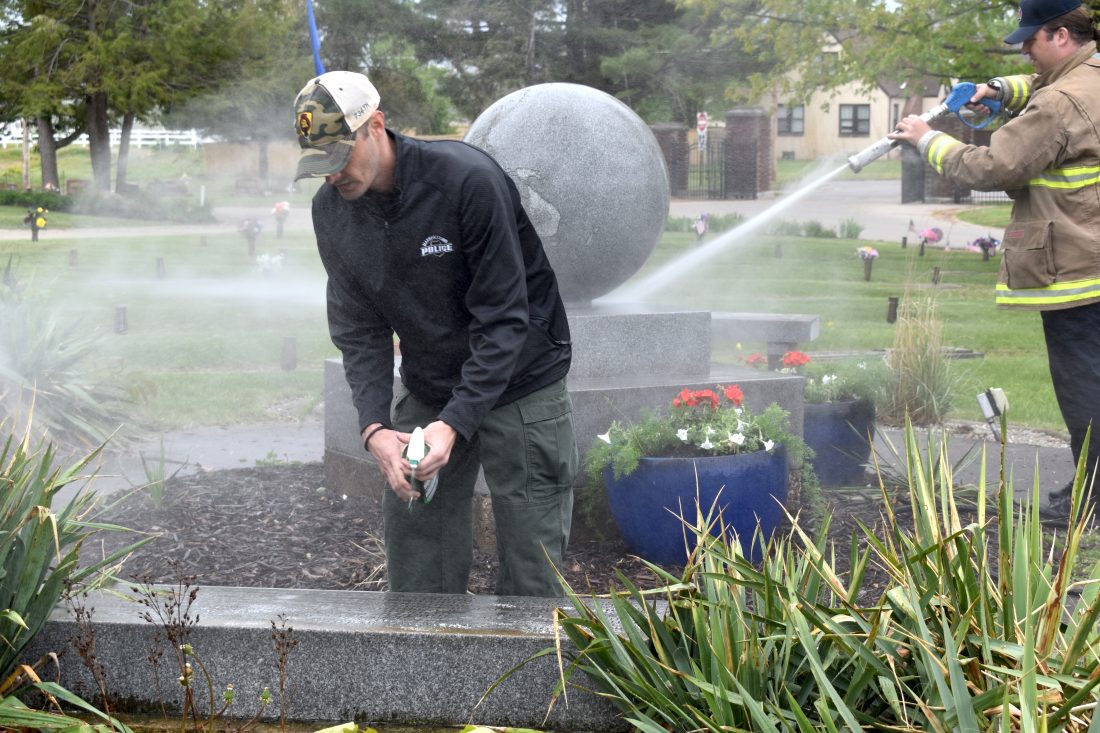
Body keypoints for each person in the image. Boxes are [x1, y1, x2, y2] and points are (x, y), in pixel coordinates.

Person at [293, 71, 577, 596]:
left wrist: (457, 422)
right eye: (319, 166)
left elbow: (505, 317)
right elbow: (359, 330)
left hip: (522, 375)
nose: (332, 177)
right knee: (417, 542)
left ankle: (528, 672)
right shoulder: (330, 213)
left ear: (374, 126)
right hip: (430, 378)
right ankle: (422, 666)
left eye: (338, 159)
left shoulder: (466, 181)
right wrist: (375, 427)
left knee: (531, 560)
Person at [889, 0, 1100, 516]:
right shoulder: (1089, 73)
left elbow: (996, 166)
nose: (1025, 50)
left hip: (1079, 272)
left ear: (1061, 36)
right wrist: (998, 92)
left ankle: (1091, 503)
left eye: (1031, 41)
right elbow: (1041, 90)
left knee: (1085, 394)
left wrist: (928, 139)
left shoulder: (1060, 102)